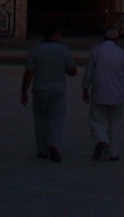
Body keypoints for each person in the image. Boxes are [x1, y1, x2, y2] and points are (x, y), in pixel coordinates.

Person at [19, 24, 77, 160]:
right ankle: (54, 144)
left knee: (40, 120)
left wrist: (24, 91)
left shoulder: (36, 50)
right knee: (57, 119)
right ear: (56, 34)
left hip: (39, 89)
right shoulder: (64, 50)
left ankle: (42, 150)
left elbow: (29, 72)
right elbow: (72, 70)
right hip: (57, 90)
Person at [83, 23, 124, 161]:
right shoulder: (122, 53)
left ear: (104, 38)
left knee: (97, 120)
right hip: (118, 94)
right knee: (115, 123)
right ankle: (113, 153)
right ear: (118, 40)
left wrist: (85, 87)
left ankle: (102, 140)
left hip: (100, 92)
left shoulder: (97, 50)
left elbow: (89, 71)